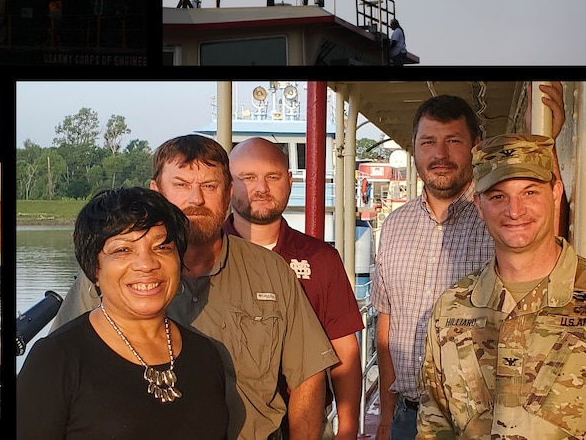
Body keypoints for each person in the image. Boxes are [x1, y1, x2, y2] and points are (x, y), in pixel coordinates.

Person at [48, 134, 338, 440]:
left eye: (209, 186)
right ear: (156, 192)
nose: (195, 199)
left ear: (228, 194)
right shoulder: (113, 278)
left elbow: (308, 374)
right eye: (181, 185)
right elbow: (59, 376)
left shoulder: (271, 271)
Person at [371, 87, 566, 439]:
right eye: (428, 142)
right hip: (406, 416)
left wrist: (544, 143)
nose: (439, 154)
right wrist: (387, 415)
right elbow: (386, 325)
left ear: (476, 145)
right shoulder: (394, 225)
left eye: (453, 141)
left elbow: (547, 233)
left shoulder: (498, 214)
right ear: (413, 148)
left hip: (480, 421)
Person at [419, 133, 586, 438]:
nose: (515, 211)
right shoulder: (452, 309)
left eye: (530, 192)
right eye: (498, 196)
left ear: (556, 193)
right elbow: (433, 426)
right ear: (479, 204)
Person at [18, 187, 229, 439]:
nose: (147, 264)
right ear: (95, 268)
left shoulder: (205, 353)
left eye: (162, 247)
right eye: (123, 250)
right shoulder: (56, 359)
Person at [227, 137, 365, 440]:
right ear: (228, 184)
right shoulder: (207, 257)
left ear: (289, 181)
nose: (261, 188)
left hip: (308, 420)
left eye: (272, 177)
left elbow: (344, 347)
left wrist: (349, 427)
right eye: (247, 178)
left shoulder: (321, 258)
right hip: (228, 422)